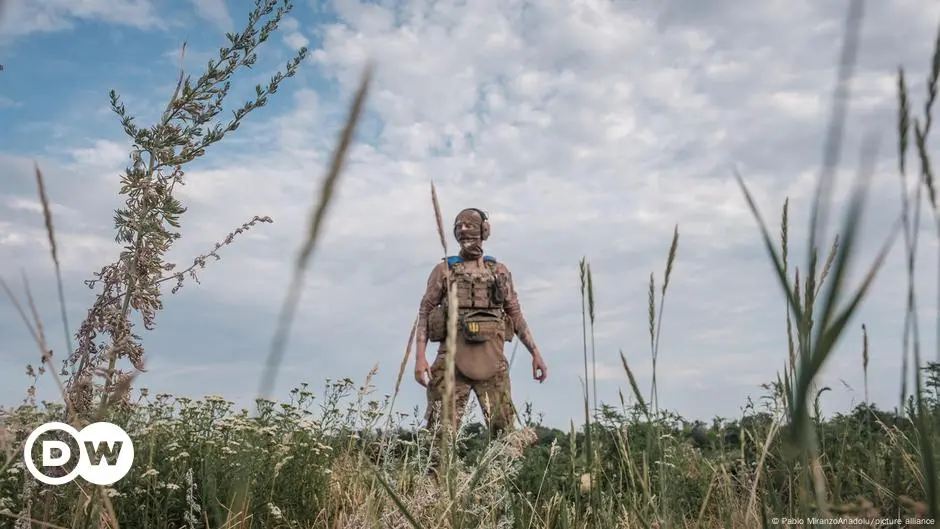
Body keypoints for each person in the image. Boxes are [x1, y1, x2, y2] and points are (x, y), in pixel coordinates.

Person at [413, 207, 548, 447]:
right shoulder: (444, 271)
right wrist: (420, 358)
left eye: (470, 225)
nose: (463, 230)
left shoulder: (498, 272)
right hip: (451, 362)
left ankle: (501, 472)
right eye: (459, 226)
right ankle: (438, 474)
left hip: (492, 361)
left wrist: (535, 353)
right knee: (440, 438)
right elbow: (425, 311)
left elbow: (514, 312)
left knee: (504, 435)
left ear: (484, 231)